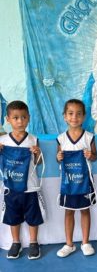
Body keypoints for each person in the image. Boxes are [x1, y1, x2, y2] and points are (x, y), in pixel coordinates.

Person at [0, 101, 45, 260]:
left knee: (33, 216)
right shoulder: (3, 141)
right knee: (13, 217)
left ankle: (34, 243)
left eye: (24, 117)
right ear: (8, 119)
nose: (20, 121)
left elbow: (39, 163)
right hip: (11, 187)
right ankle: (15, 242)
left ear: (29, 118)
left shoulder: (33, 139)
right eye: (16, 117)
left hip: (30, 187)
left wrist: (37, 153)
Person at [56, 99, 97, 257]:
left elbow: (95, 157)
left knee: (85, 210)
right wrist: (58, 156)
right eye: (71, 114)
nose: (75, 117)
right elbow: (58, 158)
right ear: (65, 116)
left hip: (84, 182)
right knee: (69, 212)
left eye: (78, 114)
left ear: (84, 116)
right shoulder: (61, 139)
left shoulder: (89, 137)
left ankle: (85, 242)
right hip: (68, 183)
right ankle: (69, 244)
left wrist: (90, 155)